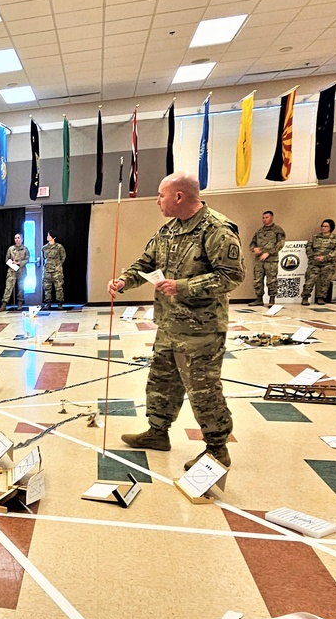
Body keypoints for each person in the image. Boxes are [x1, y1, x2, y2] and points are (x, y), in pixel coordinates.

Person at [107, 171, 244, 469]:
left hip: (202, 328)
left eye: (160, 195)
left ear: (179, 196)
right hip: (169, 324)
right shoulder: (168, 231)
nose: (157, 201)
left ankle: (217, 448)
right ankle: (158, 432)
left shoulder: (216, 229)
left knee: (203, 389)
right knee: (162, 381)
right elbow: (145, 263)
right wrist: (123, 281)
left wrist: (183, 287)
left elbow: (232, 275)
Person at [301, 219, 336, 306]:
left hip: (328, 263)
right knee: (310, 280)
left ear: (331, 228)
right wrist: (313, 257)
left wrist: (326, 257)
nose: (323, 228)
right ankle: (305, 297)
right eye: (322, 226)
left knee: (325, 281)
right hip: (314, 262)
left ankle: (321, 297)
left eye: (326, 226)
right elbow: (308, 247)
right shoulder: (315, 237)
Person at [247, 210, 285, 307]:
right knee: (257, 280)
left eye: (266, 217)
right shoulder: (259, 231)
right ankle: (259, 299)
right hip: (259, 260)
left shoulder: (278, 230)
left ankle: (272, 300)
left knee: (271, 280)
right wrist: (254, 248)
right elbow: (252, 243)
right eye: (263, 218)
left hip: (271, 260)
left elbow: (280, 244)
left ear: (272, 217)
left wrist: (269, 253)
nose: (264, 219)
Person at [0, 233, 30, 311]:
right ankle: (4, 304)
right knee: (8, 287)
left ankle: (20, 304)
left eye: (18, 238)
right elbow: (7, 259)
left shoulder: (25, 249)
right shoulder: (11, 249)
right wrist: (12, 263)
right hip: (12, 271)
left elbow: (27, 259)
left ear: (22, 239)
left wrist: (20, 263)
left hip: (21, 271)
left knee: (21, 287)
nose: (17, 239)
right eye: (15, 238)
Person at [41, 232, 66, 309]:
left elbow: (63, 257)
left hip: (56, 270)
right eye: (47, 235)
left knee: (58, 287)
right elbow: (43, 258)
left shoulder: (59, 247)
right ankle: (48, 303)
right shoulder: (44, 248)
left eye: (49, 235)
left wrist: (57, 265)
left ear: (54, 237)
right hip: (47, 270)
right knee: (47, 287)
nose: (48, 236)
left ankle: (60, 303)